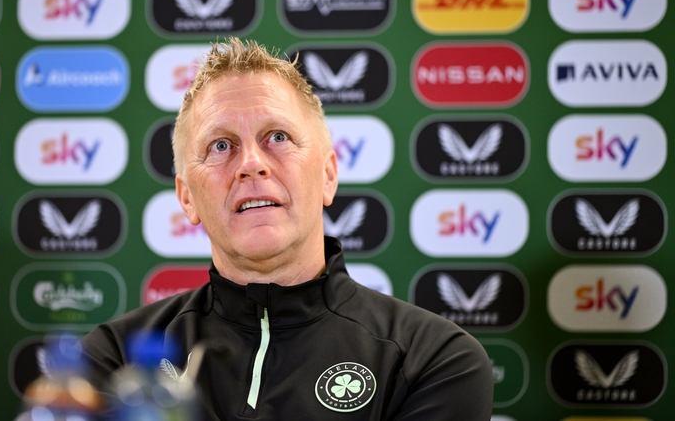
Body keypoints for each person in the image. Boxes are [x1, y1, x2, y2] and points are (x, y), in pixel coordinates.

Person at [81, 38, 493, 420]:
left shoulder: (431, 359)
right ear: (187, 197)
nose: (250, 164)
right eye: (220, 146)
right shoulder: (114, 360)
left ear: (328, 175)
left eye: (277, 136)